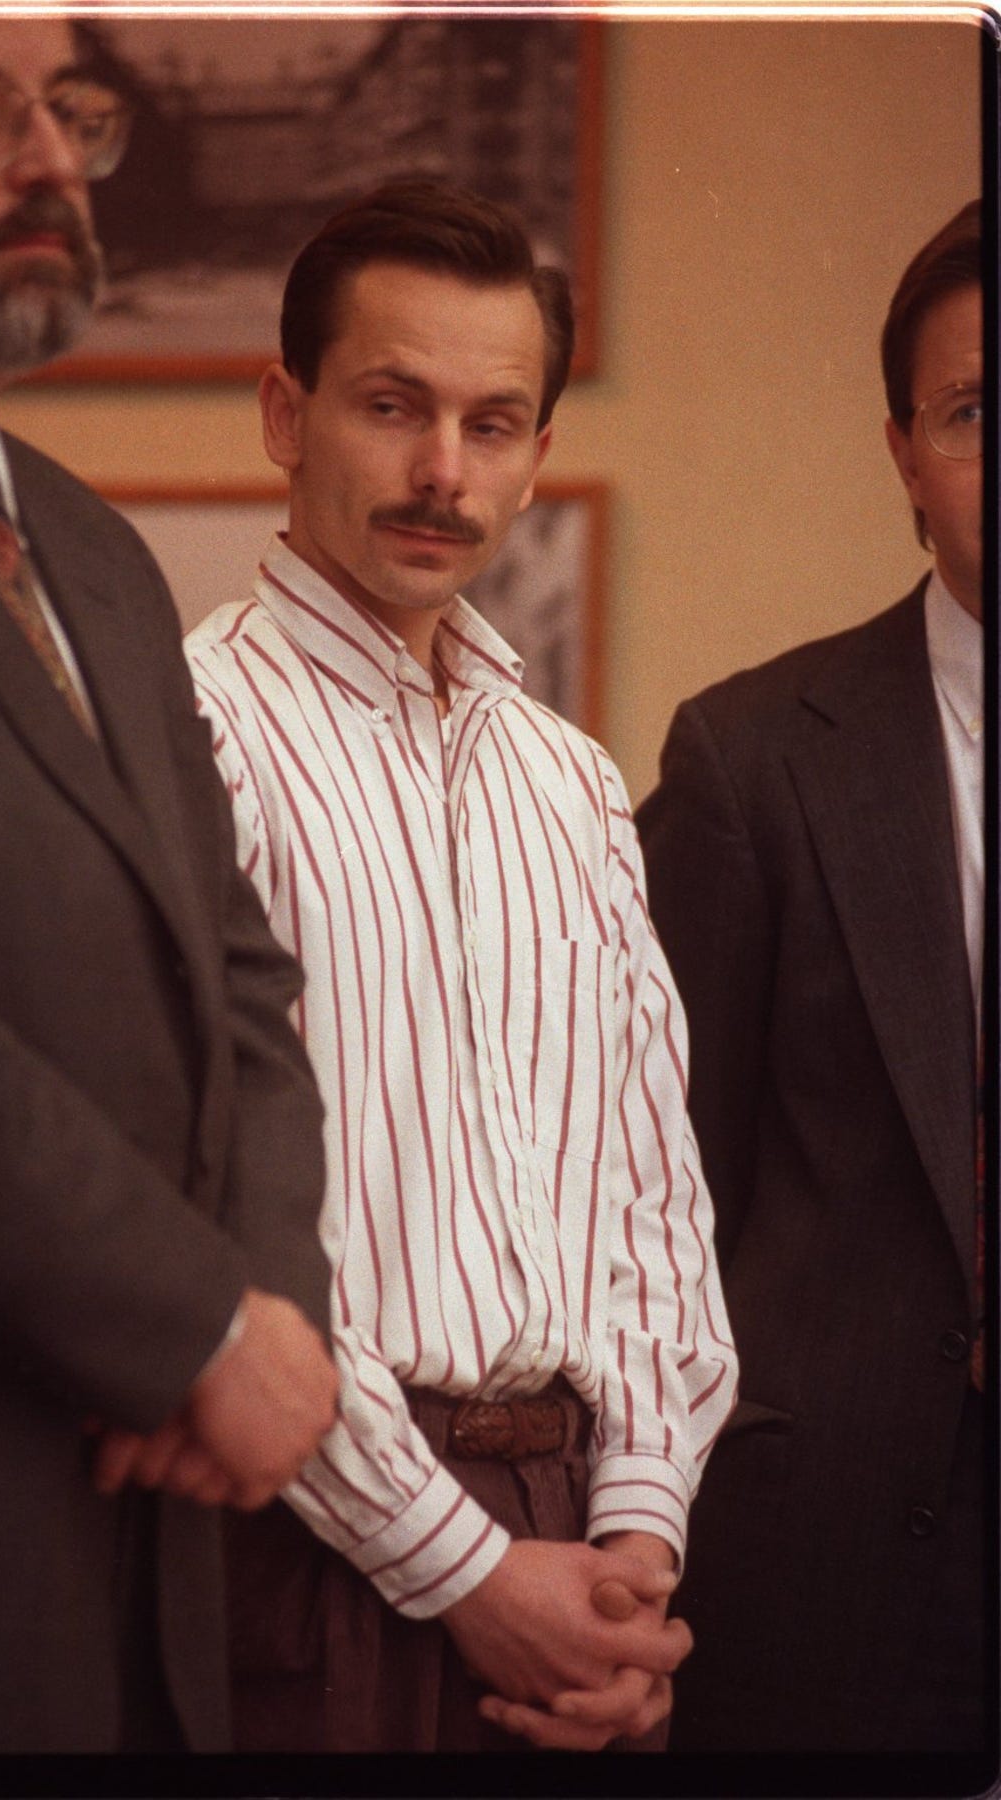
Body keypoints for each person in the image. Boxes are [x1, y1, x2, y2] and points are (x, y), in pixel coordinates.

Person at [0, 12, 338, 1765]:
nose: (48, 162)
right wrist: (191, 1326)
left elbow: (237, 978)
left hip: (150, 1539)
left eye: (74, 111)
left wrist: (262, 1314)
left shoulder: (90, 547)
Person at [181, 178, 737, 1754]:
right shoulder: (188, 737)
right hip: (307, 1542)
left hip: (581, 1527)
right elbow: (199, 1212)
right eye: (392, 406)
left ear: (537, 453)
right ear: (285, 415)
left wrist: (635, 1547)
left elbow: (649, 1199)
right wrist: (462, 1567)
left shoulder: (571, 783)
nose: (444, 471)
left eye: (493, 425)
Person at [636, 199, 986, 1753]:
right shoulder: (754, 761)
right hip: (828, 1566)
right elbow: (654, 1200)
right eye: (972, 411)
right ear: (904, 452)